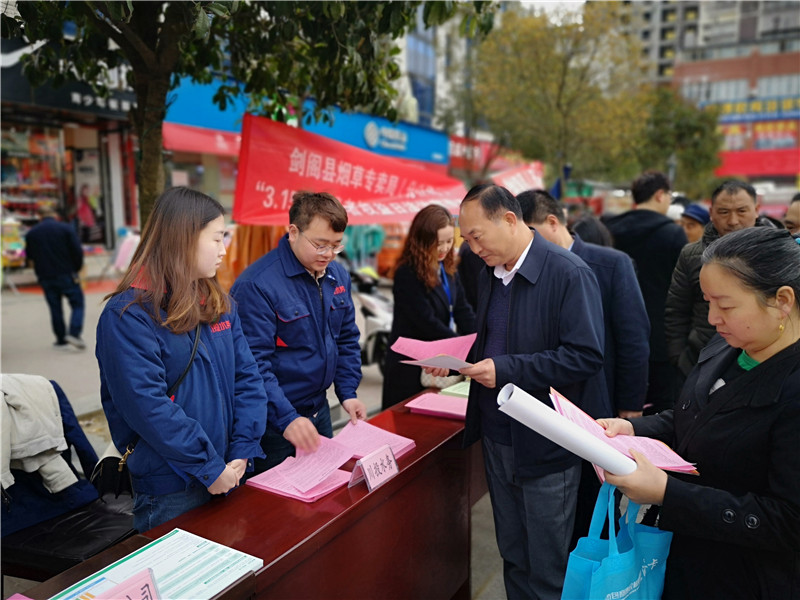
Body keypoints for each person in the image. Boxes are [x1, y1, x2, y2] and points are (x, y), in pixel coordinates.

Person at [602, 227, 800, 599]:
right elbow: (694, 415)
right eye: (707, 302)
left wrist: (669, 494)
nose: (712, 318)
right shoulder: (728, 343)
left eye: (725, 305)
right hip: (687, 556)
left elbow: (789, 521)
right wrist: (632, 429)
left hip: (746, 578)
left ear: (782, 300)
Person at [456, 184, 606, 599]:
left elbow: (585, 356)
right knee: (513, 555)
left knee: (547, 566)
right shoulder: (490, 272)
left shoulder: (568, 273)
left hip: (545, 442)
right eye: (466, 239)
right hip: (496, 436)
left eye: (476, 236)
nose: (472, 248)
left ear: (509, 219)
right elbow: (496, 340)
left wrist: (505, 369)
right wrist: (459, 358)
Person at [95, 187, 267, 532]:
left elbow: (248, 378)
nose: (224, 250)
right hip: (172, 487)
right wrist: (208, 467)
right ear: (184, 238)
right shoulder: (128, 315)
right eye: (216, 239)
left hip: (230, 470)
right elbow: (147, 405)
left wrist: (243, 449)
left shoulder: (217, 302)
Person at [519, 189, 649, 545]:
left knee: (596, 504)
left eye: (530, 233)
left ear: (552, 222)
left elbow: (634, 338)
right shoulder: (527, 269)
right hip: (549, 409)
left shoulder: (611, 263)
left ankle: (596, 569)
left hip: (599, 407)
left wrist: (631, 405)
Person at [231, 192, 366, 473]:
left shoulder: (336, 275)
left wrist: (347, 392)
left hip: (319, 411)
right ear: (293, 232)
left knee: (326, 487)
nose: (328, 254)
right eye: (320, 244)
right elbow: (253, 365)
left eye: (336, 245)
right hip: (274, 423)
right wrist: (286, 418)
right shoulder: (257, 285)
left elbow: (346, 338)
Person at [665, 180, 774, 380]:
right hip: (701, 361)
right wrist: (680, 359)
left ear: (757, 210)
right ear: (711, 213)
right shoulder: (691, 255)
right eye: (724, 212)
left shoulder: (776, 253)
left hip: (765, 363)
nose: (733, 221)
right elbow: (677, 311)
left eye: (742, 211)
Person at [605, 171, 687, 413]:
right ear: (660, 195)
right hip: (660, 336)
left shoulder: (609, 229)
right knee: (661, 409)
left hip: (615, 331)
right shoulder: (672, 233)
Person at [381, 205, 475, 410]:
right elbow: (426, 322)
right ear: (422, 240)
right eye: (438, 243)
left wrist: (479, 338)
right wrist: (461, 348)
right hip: (411, 368)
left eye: (449, 241)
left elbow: (463, 310)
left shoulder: (448, 269)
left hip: (438, 361)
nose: (444, 248)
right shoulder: (407, 273)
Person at [24, 204, 86, 350]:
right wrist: (76, 268)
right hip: (66, 273)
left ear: (39, 216)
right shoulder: (66, 229)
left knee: (55, 307)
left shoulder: (32, 233)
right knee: (77, 303)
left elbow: (30, 256)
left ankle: (60, 338)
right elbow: (77, 251)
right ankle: (74, 333)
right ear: (55, 215)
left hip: (45, 275)